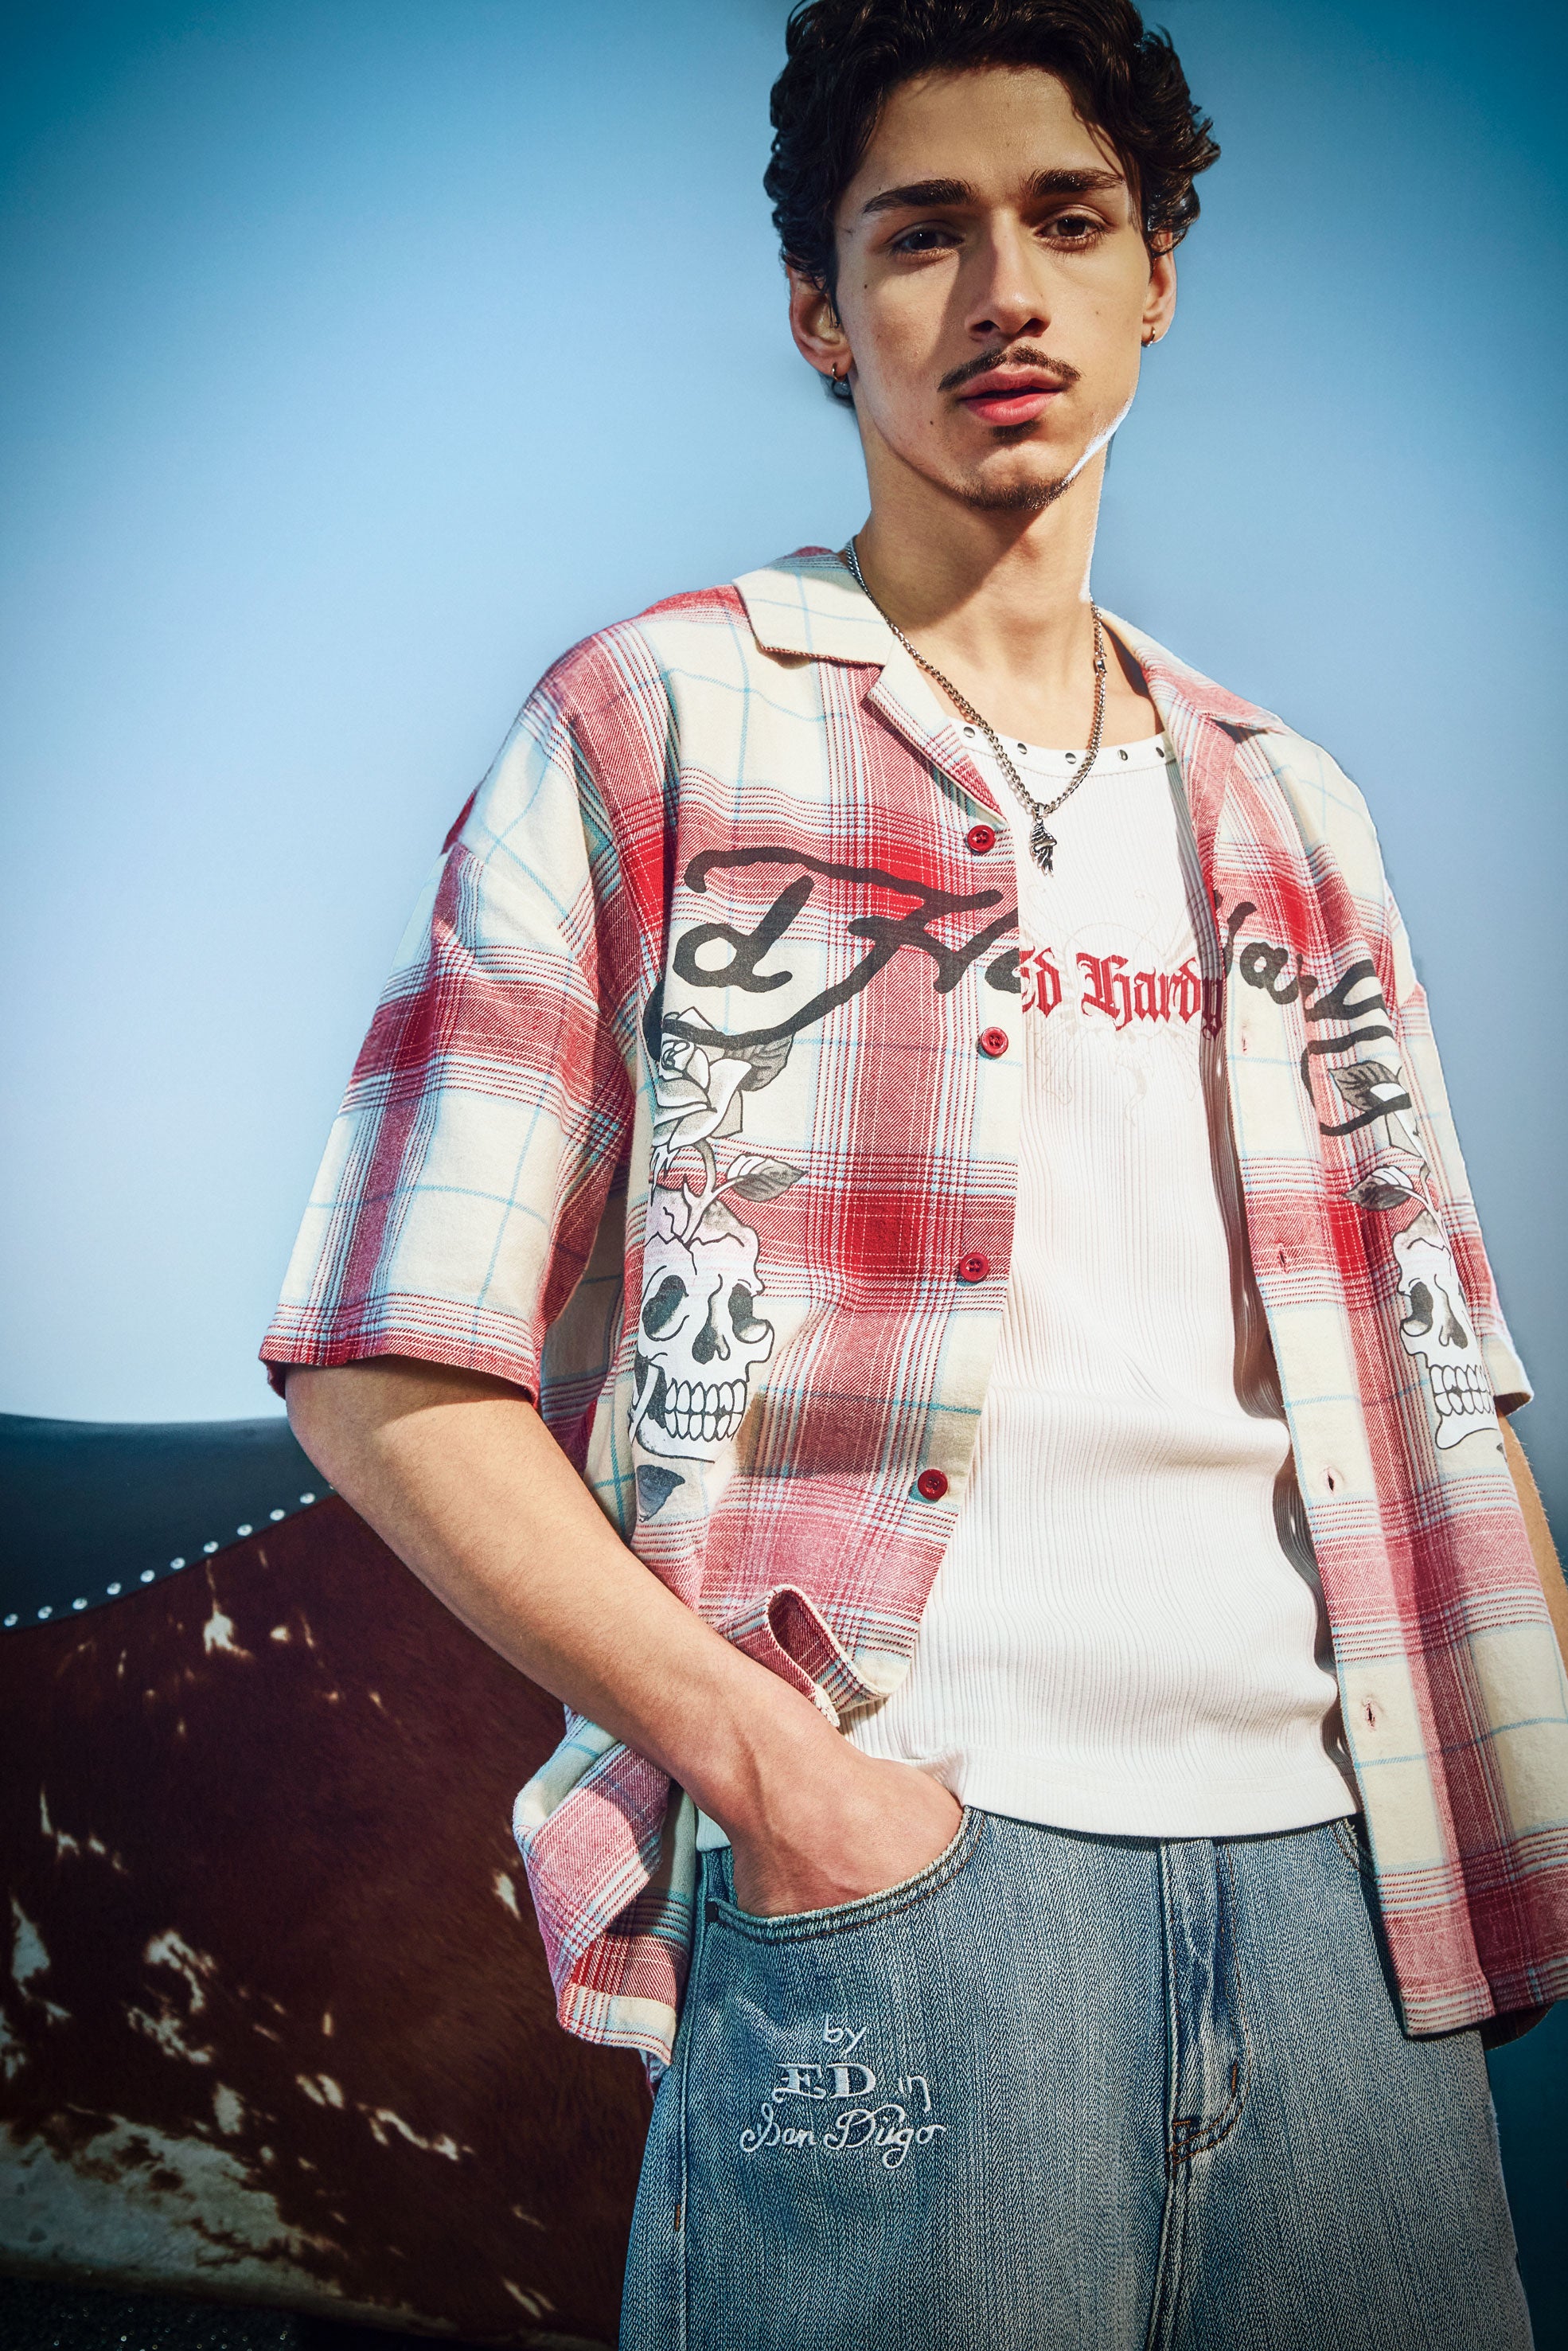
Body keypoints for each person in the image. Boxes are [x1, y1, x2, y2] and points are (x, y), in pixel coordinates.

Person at [265, 2, 1568, 2342]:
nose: (1005, 294)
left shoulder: (1294, 807)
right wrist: (783, 1779)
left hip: (1350, 1898)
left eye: (1068, 220)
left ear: (1157, 278)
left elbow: (1443, 1377)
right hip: (906, 1885)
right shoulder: (660, 719)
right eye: (921, 234)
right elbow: (387, 1357)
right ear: (816, 307)